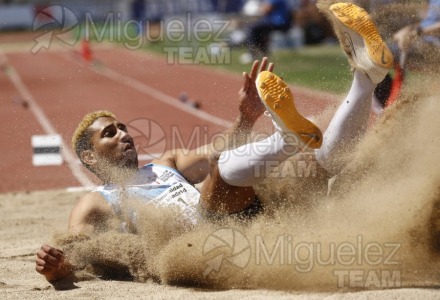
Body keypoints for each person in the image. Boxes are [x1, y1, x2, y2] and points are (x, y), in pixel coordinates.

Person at [35, 2, 392, 284]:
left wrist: (247, 118)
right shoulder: (96, 201)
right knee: (225, 171)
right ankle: (288, 137)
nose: (124, 134)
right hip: (206, 242)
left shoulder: (166, 162)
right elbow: (78, 252)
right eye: (109, 133)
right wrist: (58, 268)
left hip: (247, 215)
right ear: (88, 156)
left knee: (316, 163)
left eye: (123, 127)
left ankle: (366, 78)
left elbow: (222, 151)